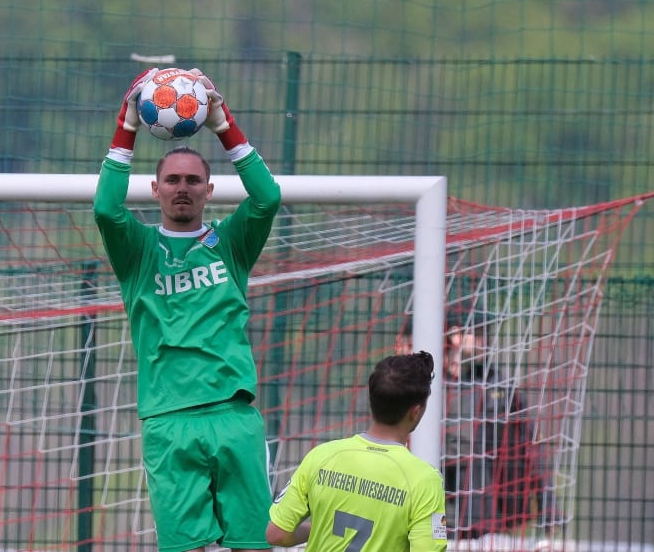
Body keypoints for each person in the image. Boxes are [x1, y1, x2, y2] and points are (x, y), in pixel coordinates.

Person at [93, 68, 282, 552]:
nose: (183, 187)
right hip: (168, 421)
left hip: (233, 415)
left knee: (254, 544)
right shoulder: (137, 250)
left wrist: (223, 123)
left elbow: (267, 197)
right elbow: (106, 210)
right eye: (172, 180)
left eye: (194, 180)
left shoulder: (231, 246)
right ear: (154, 191)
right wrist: (127, 125)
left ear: (209, 191)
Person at [397, 309, 563, 540]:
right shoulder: (424, 385)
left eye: (486, 333)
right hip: (434, 511)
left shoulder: (500, 385)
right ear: (454, 336)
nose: (485, 340)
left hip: (486, 517)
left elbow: (532, 445)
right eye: (478, 333)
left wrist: (548, 506)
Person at [265, 352, 448, 552]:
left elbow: (277, 533)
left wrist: (319, 529)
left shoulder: (322, 456)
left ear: (371, 400)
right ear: (415, 411)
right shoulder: (424, 480)